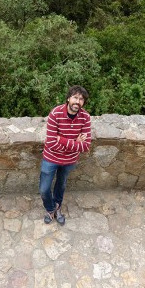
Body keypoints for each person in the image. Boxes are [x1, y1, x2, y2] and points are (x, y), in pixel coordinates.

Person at [39, 85, 92, 225]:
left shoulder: (85, 117)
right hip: (50, 158)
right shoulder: (55, 113)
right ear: (68, 98)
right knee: (44, 189)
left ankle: (57, 207)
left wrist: (62, 140)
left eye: (81, 99)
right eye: (75, 97)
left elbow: (86, 146)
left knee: (61, 186)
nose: (77, 101)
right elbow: (50, 143)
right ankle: (50, 209)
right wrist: (75, 144)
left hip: (69, 161)